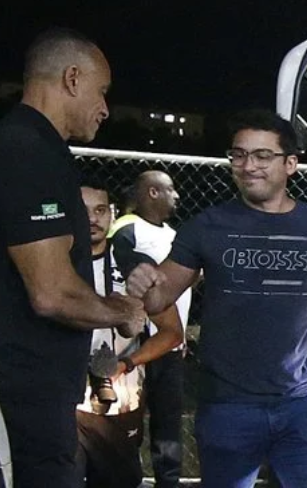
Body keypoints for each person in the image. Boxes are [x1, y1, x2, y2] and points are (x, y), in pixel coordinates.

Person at [126, 109, 307, 488]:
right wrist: (142, 282)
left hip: (301, 403)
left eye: (262, 156)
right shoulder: (206, 226)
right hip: (227, 407)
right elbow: (159, 297)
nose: (248, 165)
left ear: (291, 164)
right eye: (239, 155)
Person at [0, 27, 146, 488]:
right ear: (72, 78)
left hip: (22, 389)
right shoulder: (25, 150)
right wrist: (122, 311)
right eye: (102, 91)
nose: (105, 107)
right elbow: (52, 294)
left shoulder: (24, 146)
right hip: (23, 394)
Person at [76, 179, 183, 488]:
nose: (92, 219)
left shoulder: (133, 265)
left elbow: (172, 333)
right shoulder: (54, 264)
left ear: (111, 214)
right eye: (83, 212)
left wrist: (128, 363)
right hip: (63, 400)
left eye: (99, 210)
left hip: (119, 400)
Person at [110, 170, 192, 488]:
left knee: (167, 422)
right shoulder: (126, 229)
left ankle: (167, 481)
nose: (177, 196)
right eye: (171, 189)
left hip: (169, 341)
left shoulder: (173, 234)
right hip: (135, 343)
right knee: (127, 419)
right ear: (153, 192)